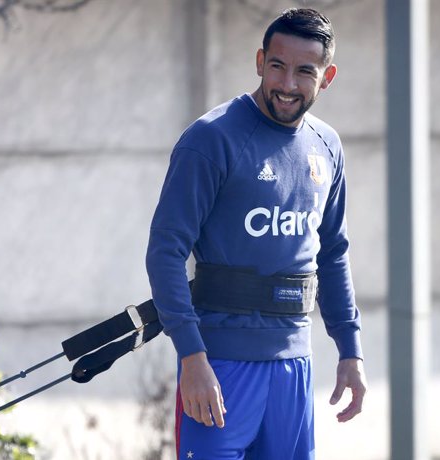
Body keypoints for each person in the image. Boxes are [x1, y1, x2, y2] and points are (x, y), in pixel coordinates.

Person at [145, 8, 367, 460]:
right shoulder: (211, 139)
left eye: (305, 71)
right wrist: (192, 357)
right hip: (219, 366)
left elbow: (334, 253)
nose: (287, 84)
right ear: (260, 59)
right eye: (277, 66)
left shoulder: (327, 147)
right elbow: (165, 253)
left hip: (294, 367)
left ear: (326, 77)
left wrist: (350, 350)